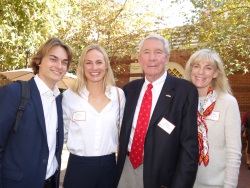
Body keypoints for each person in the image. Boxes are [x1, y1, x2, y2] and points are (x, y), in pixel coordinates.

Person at [115, 33, 199, 188]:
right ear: (139, 59)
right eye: (146, 52)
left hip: (161, 176)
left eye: (158, 52)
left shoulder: (184, 91)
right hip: (126, 170)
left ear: (167, 58)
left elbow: (189, 147)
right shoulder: (128, 90)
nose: (151, 58)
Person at [0, 38, 72, 188]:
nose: (59, 66)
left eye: (64, 62)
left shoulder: (59, 100)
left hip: (49, 182)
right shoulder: (14, 93)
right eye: (53, 59)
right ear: (39, 61)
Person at [62, 44, 125, 188]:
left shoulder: (118, 96)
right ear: (82, 67)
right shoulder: (69, 97)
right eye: (88, 63)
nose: (94, 68)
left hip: (108, 167)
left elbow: (122, 130)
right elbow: (64, 132)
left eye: (99, 62)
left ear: (106, 66)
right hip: (78, 167)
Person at [184, 49, 242, 187]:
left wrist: (229, 185)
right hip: (184, 182)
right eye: (196, 66)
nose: (201, 72)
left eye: (208, 68)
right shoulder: (183, 101)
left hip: (216, 184)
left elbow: (233, 152)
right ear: (191, 70)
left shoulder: (227, 102)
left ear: (216, 73)